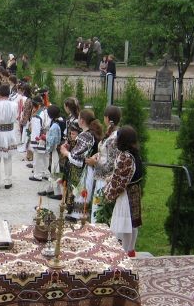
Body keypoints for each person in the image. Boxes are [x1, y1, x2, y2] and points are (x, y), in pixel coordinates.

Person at [104, 126, 143, 257]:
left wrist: (108, 193)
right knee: (132, 223)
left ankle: (122, 254)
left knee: (124, 224)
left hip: (126, 195)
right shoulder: (134, 153)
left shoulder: (125, 157)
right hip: (134, 191)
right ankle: (130, 250)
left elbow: (118, 182)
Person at [60, 110, 102, 221]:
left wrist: (66, 152)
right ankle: (79, 216)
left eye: (78, 118)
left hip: (85, 172)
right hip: (88, 170)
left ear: (82, 121)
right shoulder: (90, 134)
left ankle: (78, 218)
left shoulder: (86, 135)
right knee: (82, 194)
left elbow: (77, 159)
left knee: (81, 195)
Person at [88, 105, 121, 224]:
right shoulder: (111, 134)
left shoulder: (114, 138)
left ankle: (98, 231)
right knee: (96, 206)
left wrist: (95, 163)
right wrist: (97, 155)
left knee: (99, 210)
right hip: (100, 178)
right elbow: (105, 153)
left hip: (105, 181)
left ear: (107, 118)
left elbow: (111, 164)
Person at [37, 105, 63, 199]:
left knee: (55, 170)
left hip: (55, 150)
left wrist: (45, 139)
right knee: (54, 170)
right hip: (56, 149)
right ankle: (50, 189)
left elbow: (52, 141)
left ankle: (57, 192)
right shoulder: (57, 122)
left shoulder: (54, 126)